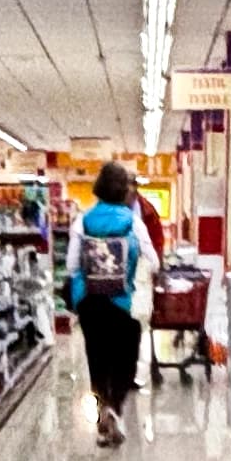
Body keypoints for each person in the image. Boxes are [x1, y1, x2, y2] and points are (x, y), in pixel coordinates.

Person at [68, 158, 156, 446]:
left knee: (97, 360)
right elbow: (153, 262)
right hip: (120, 302)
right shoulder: (134, 223)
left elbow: (70, 266)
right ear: (123, 192)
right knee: (124, 359)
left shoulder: (82, 221)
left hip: (89, 301)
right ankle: (115, 409)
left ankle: (101, 414)